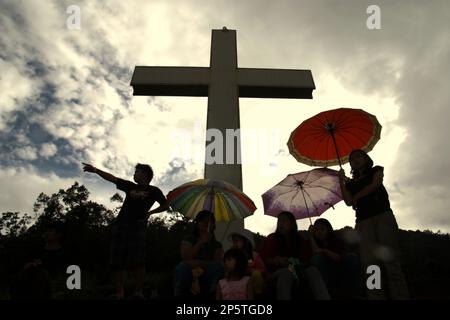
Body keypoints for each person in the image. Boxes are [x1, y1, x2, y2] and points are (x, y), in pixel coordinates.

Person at [82, 162, 169, 299]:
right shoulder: (130, 186)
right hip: (121, 225)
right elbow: (112, 178)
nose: (134, 174)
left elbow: (165, 205)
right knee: (118, 260)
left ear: (145, 174)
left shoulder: (154, 190)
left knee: (138, 260)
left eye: (137, 172)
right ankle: (119, 292)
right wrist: (95, 170)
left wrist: (150, 213)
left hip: (138, 226)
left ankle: (138, 291)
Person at [338, 149, 409, 299]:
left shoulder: (376, 170)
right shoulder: (351, 183)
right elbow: (348, 201)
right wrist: (341, 181)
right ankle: (376, 297)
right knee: (370, 264)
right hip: (363, 222)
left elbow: (375, 184)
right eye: (352, 159)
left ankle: (400, 295)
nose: (355, 160)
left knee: (391, 260)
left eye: (359, 156)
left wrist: (357, 195)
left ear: (366, 158)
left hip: (382, 216)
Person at [260, 211, 330, 300]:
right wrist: (276, 260)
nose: (281, 223)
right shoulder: (271, 238)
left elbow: (307, 259)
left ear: (292, 224)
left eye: (284, 221)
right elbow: (263, 260)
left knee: (312, 270)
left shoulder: (299, 239)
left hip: (297, 270)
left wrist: (295, 263)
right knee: (286, 273)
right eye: (279, 221)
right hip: (276, 272)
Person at [174, 210, 224, 298]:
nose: (206, 223)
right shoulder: (189, 239)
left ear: (213, 225)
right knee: (181, 268)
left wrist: (199, 263)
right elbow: (185, 258)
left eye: (209, 221)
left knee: (217, 267)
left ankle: (212, 294)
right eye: (203, 220)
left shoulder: (217, 244)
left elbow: (218, 261)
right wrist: (199, 243)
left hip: (208, 271)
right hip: (190, 268)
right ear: (197, 223)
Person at [309, 218, 360, 298]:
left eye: (322, 229)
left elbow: (338, 258)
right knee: (316, 258)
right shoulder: (314, 242)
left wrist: (324, 250)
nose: (319, 232)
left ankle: (354, 293)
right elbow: (315, 252)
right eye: (316, 230)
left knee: (352, 257)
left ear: (328, 229)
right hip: (326, 273)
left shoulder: (336, 240)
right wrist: (311, 236)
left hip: (340, 269)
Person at [229, 230, 266, 298]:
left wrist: (252, 270)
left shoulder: (254, 255)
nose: (235, 243)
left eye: (238, 240)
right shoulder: (231, 255)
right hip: (235, 280)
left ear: (245, 242)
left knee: (256, 274)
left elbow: (263, 269)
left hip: (251, 281)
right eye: (234, 241)